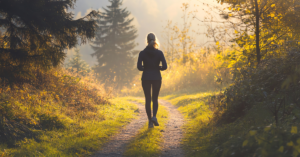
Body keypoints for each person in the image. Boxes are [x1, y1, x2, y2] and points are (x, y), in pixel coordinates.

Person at [137, 33, 167, 128]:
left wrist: (145, 68)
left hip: (146, 77)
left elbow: (139, 67)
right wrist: (158, 67)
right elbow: (165, 66)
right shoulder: (159, 53)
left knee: (148, 99)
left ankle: (150, 121)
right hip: (157, 78)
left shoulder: (142, 53)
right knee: (155, 98)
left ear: (147, 40)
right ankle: (154, 117)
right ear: (155, 40)